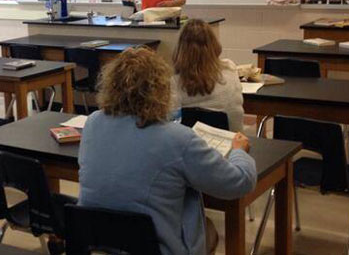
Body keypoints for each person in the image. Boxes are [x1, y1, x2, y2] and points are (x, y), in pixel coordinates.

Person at [78, 47, 256, 255]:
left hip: (100, 243)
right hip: (156, 247)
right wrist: (239, 152)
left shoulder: (93, 124)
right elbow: (239, 182)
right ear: (161, 89)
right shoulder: (177, 138)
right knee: (207, 230)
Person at [173, 19, 244, 132]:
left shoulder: (173, 81)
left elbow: (171, 123)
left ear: (180, 47)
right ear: (213, 44)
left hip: (187, 145)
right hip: (228, 143)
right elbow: (236, 118)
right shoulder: (230, 69)